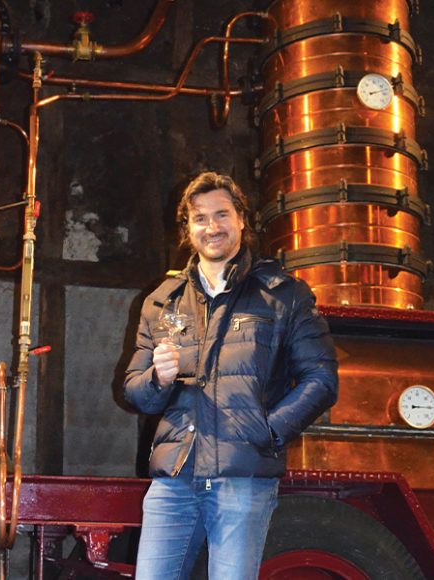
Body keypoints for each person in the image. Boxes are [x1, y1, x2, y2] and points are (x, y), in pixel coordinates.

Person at [124, 171, 338, 580]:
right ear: (187, 228)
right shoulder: (161, 301)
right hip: (175, 479)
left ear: (241, 219)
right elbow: (134, 392)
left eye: (221, 214)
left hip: (243, 479)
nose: (212, 227)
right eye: (200, 218)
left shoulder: (283, 294)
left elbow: (321, 379)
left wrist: (268, 432)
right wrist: (157, 379)